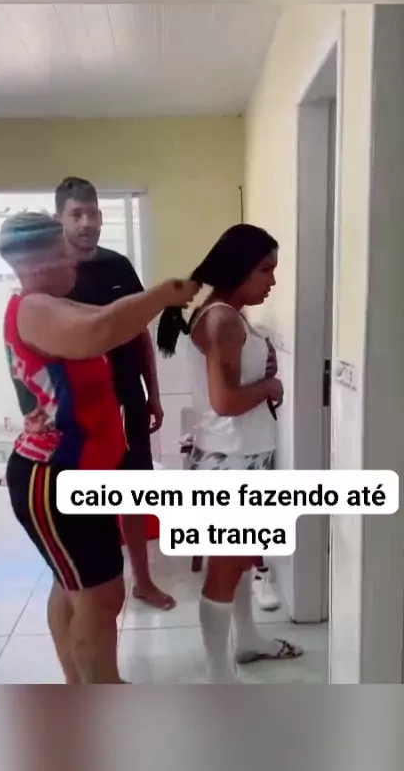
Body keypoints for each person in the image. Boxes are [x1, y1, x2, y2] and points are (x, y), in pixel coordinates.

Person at [0, 211, 198, 683]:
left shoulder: (50, 303)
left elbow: (104, 318)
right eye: (63, 251)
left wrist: (155, 301)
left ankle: (81, 687)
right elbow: (98, 332)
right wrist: (162, 295)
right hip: (54, 477)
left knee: (76, 588)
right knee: (101, 598)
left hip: (76, 473)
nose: (75, 260)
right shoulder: (34, 308)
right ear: (38, 262)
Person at [157, 223, 302, 683]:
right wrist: (271, 386)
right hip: (230, 463)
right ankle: (220, 677)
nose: (272, 281)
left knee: (237, 561)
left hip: (242, 457)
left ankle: (248, 641)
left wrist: (262, 372)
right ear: (240, 268)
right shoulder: (221, 319)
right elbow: (225, 401)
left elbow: (231, 386)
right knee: (224, 569)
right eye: (265, 270)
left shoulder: (229, 315)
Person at [55, 177, 173, 610]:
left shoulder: (118, 266)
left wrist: (153, 393)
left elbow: (140, 334)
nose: (86, 222)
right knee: (84, 500)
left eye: (92, 213)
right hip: (77, 409)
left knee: (135, 490)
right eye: (76, 214)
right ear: (60, 218)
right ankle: (85, 586)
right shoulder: (54, 276)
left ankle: (142, 580)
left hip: (127, 400)